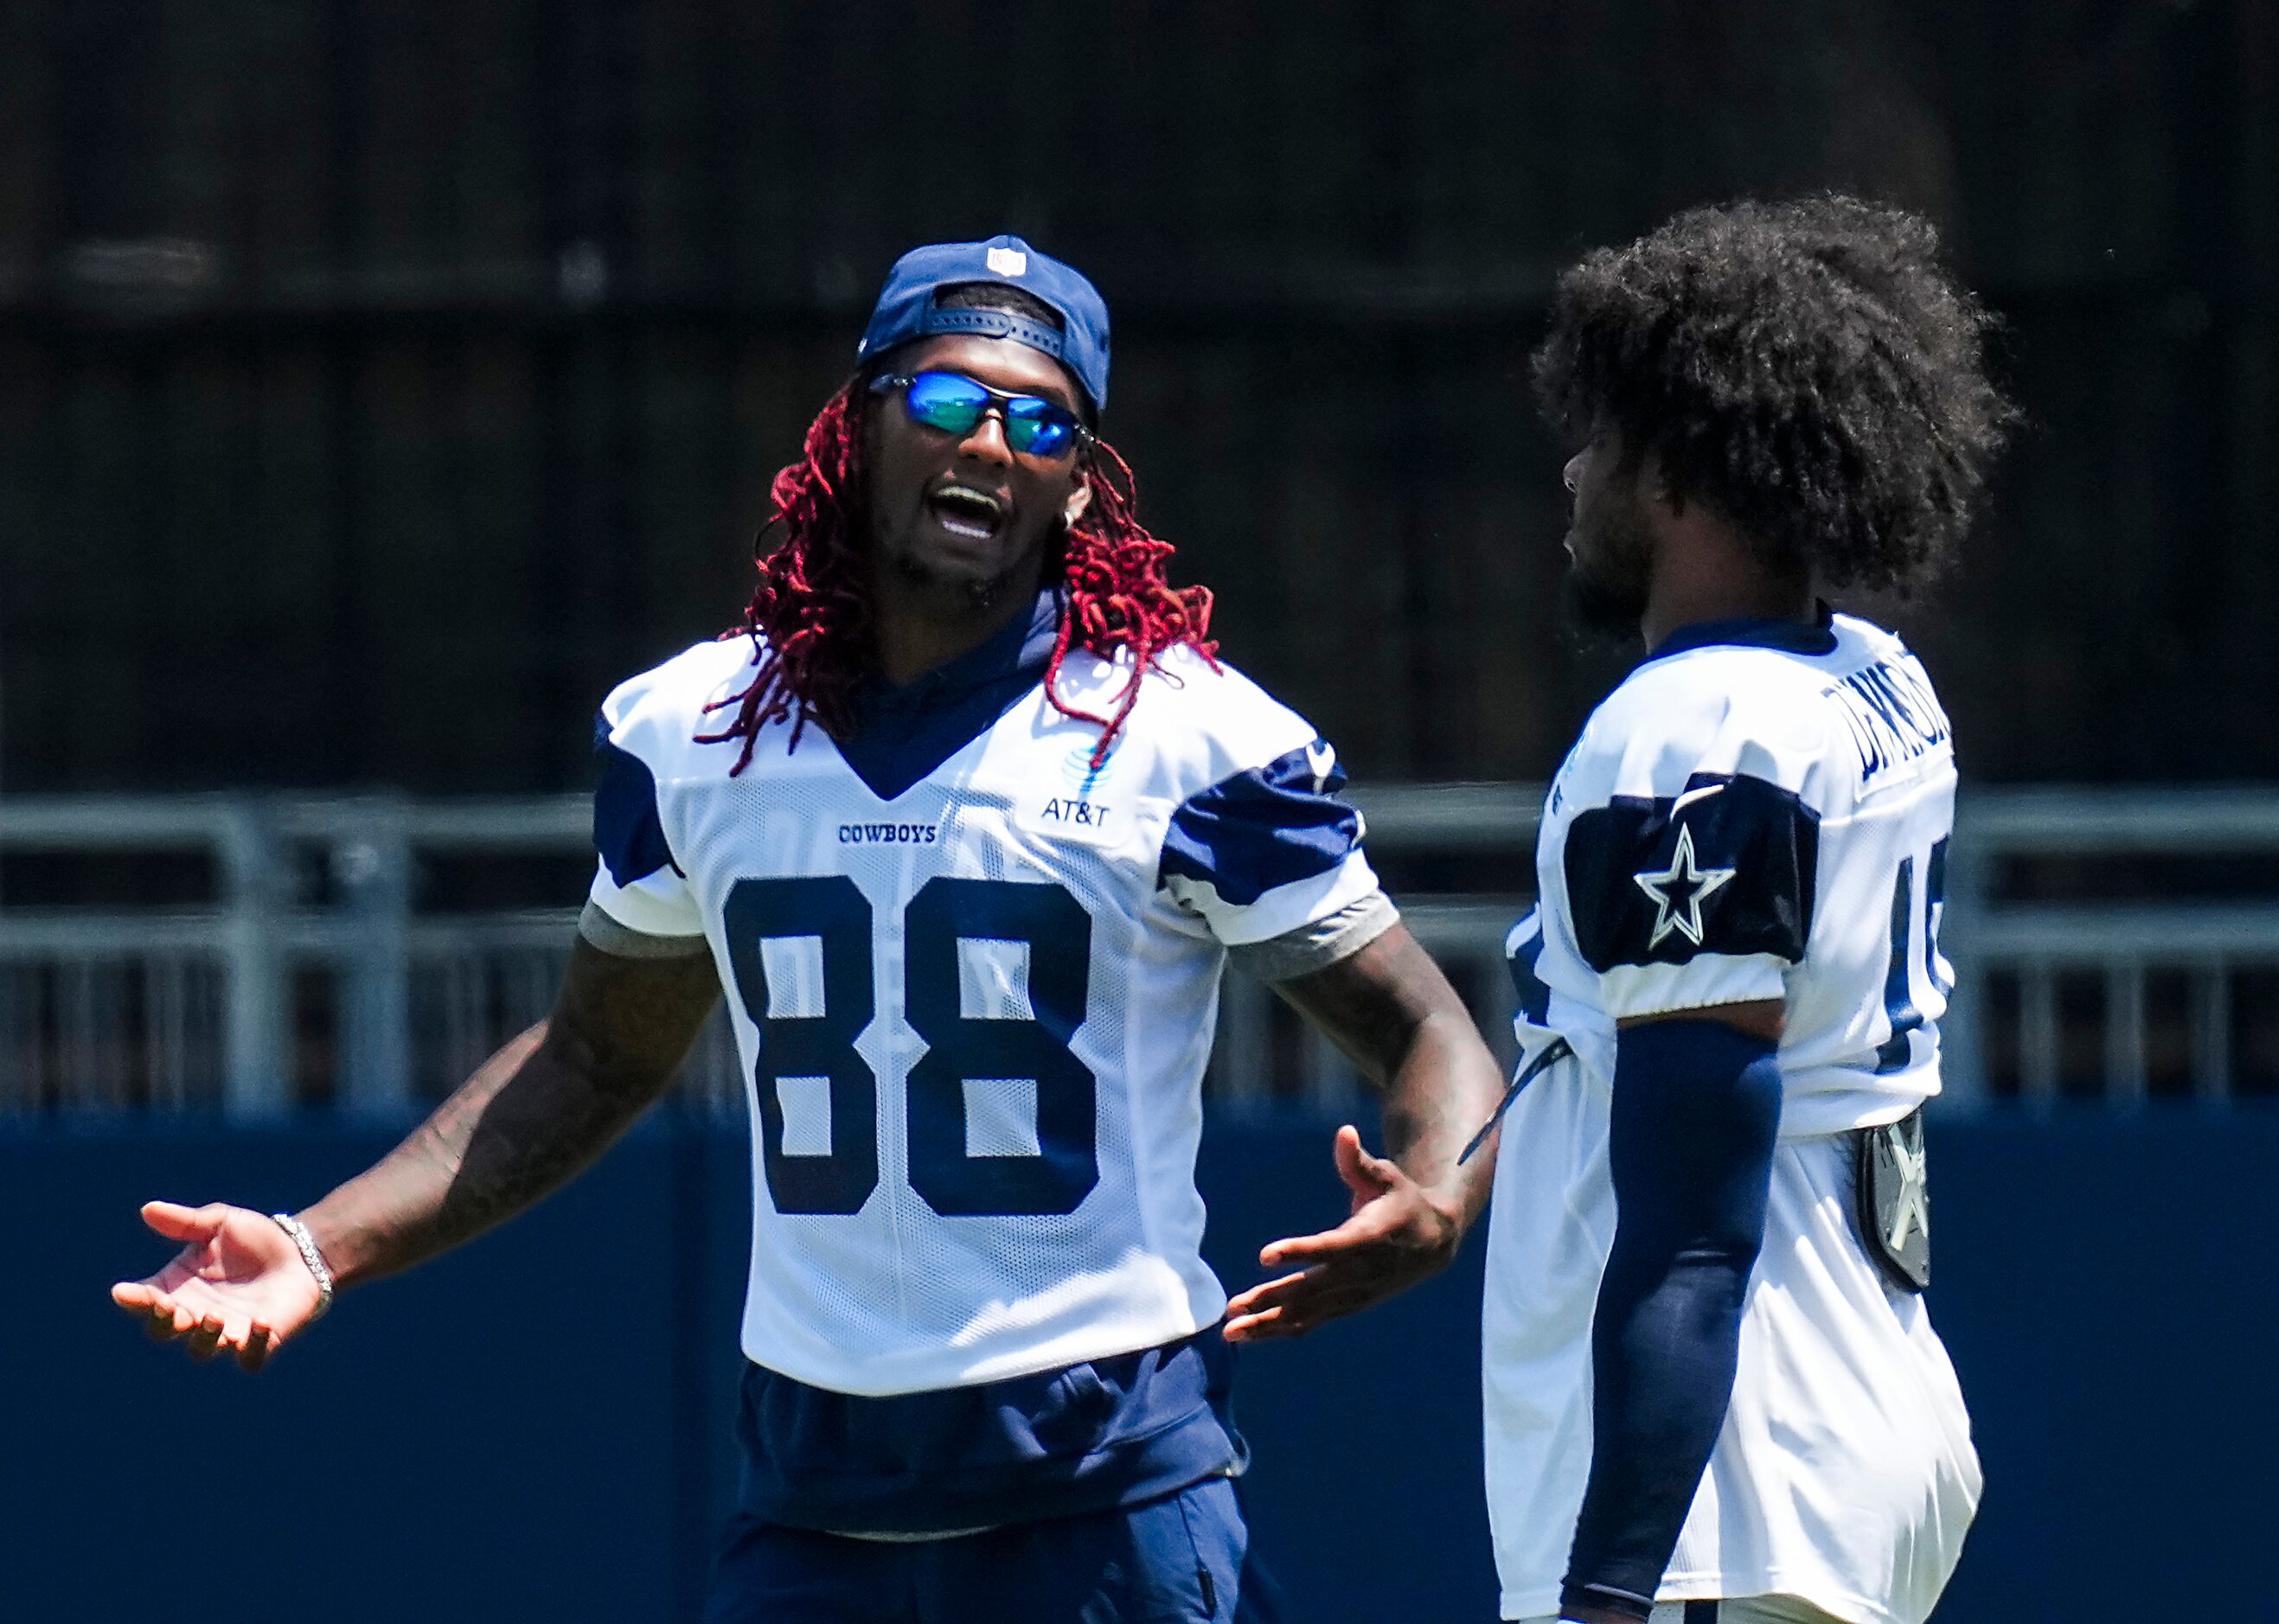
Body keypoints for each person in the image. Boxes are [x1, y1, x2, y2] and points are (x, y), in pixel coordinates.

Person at [112, 233, 1507, 1623]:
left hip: (1102, 1488)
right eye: (950, 402)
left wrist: (1438, 1193)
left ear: (1080, 486)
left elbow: (1426, 1029)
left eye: (1041, 424)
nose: (992, 445)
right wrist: (318, 1244)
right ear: (859, 427)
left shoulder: (1189, 738)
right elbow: (595, 1059)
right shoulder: (696, 732)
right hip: (815, 1504)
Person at [1482, 197, 2014, 1624]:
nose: (1576, 469)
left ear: (1685, 469)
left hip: (1729, 1496)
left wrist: (1607, 1591)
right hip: (1856, 1410)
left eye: (1606, 432)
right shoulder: (1871, 674)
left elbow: (1695, 1232)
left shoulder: (1693, 734)